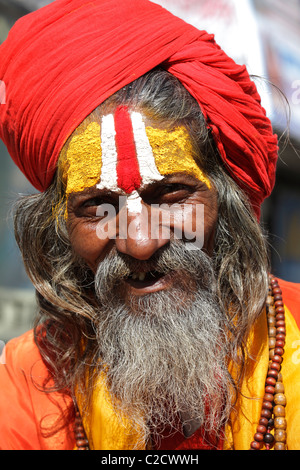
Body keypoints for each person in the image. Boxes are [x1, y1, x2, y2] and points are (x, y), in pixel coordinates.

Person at [0, 0, 299, 451]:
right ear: (58, 224)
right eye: (98, 205)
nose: (139, 242)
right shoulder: (28, 378)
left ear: (228, 196)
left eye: (173, 195)